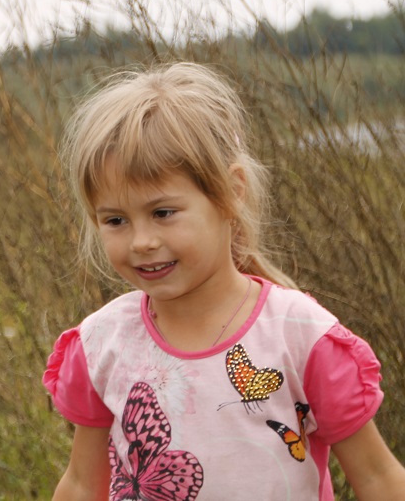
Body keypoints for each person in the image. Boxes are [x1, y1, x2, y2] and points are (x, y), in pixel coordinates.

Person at [42, 62, 405, 500]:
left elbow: (378, 479)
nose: (141, 241)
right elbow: (83, 484)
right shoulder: (101, 343)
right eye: (115, 220)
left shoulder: (301, 337)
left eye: (163, 213)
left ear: (231, 192)